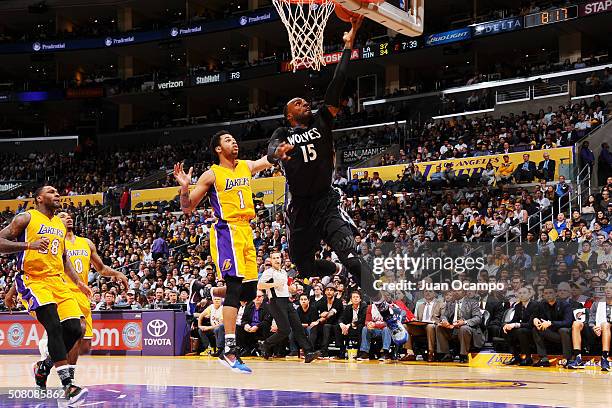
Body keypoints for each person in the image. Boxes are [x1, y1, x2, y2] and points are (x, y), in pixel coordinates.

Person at [267, 16, 407, 346]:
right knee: (302, 267)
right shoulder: (283, 133)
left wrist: (349, 41)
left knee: (355, 259)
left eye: (304, 101)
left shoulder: (321, 120)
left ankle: (387, 313)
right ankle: (331, 268)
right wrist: (279, 152)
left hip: (327, 204)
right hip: (299, 211)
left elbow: (338, 81)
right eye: (296, 103)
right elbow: (271, 148)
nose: (304, 103)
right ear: (289, 115)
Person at [174, 130, 290, 374]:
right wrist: (185, 187)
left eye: (234, 139)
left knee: (248, 289)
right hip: (227, 231)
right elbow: (187, 208)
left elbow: (266, 161)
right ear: (218, 149)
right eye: (227, 140)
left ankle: (204, 290)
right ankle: (228, 349)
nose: (233, 142)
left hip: (247, 231)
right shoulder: (212, 174)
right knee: (236, 287)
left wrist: (279, 152)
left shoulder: (245, 166)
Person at [0, 185, 91, 404]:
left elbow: (63, 258)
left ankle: (44, 366)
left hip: (58, 282)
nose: (57, 194)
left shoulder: (59, 224)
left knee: (75, 328)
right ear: (39, 198)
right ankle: (68, 385)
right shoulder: (26, 218)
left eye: (58, 192)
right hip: (34, 280)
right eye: (51, 192)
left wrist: (78, 282)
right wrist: (28, 245)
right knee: (54, 326)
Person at [20, 211, 129, 387]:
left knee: (84, 346)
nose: (67, 218)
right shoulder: (51, 240)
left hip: (82, 294)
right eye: (62, 216)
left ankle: (46, 364)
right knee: (70, 330)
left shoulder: (85, 243)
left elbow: (101, 268)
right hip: (60, 291)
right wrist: (12, 291)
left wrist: (117, 273)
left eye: (69, 216)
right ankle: (68, 382)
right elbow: (33, 268)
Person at [257, 250, 320, 362]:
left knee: (298, 326)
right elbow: (260, 285)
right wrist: (274, 284)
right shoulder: (268, 272)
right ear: (271, 260)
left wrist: (291, 289)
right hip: (276, 302)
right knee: (285, 330)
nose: (277, 260)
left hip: (287, 300)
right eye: (274, 258)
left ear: (281, 259)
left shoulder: (283, 272)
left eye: (278, 258)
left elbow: (285, 287)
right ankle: (266, 344)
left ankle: (308, 352)